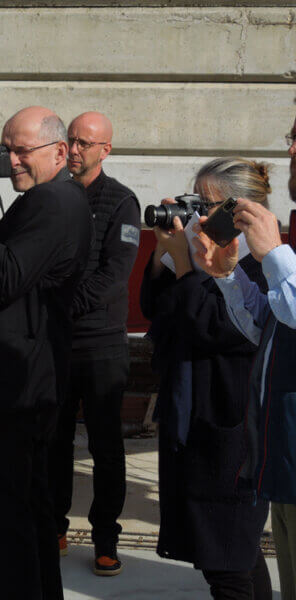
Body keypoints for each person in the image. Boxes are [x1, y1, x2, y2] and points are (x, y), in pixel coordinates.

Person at [0, 106, 92, 600]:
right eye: (6, 148)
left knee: (5, 528)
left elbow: (5, 277)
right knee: (28, 521)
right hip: (21, 385)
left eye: (22, 150)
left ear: (60, 152)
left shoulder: (54, 203)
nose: (12, 160)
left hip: (12, 392)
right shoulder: (48, 199)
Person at [140, 157, 273, 600]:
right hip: (193, 414)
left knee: (227, 557)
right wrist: (166, 254)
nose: (198, 214)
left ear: (242, 207)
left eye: (209, 203)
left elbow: (214, 328)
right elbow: (154, 309)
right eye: (194, 200)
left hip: (230, 421)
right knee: (234, 553)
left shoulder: (257, 259)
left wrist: (185, 267)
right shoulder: (199, 248)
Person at [194, 118, 296, 600]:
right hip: (282, 450)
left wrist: (273, 255)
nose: (290, 151)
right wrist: (229, 276)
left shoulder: (278, 242)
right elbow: (271, 326)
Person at [47, 111, 140, 575]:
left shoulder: (123, 203)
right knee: (55, 441)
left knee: (106, 447)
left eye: (86, 143)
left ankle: (106, 539)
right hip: (56, 344)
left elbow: (115, 273)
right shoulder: (50, 196)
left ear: (106, 149)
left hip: (101, 344)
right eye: (72, 140)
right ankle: (54, 528)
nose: (76, 149)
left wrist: (61, 307)